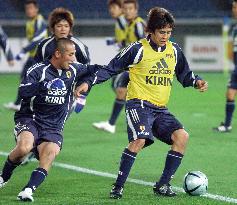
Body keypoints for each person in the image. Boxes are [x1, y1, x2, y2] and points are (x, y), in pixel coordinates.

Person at [75, 7, 208, 199]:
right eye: (162, 32)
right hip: (139, 105)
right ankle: (118, 186)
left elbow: (185, 75)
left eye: (169, 32)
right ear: (151, 31)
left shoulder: (174, 50)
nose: (166, 36)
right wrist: (88, 82)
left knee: (182, 137)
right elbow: (110, 68)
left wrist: (197, 82)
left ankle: (162, 185)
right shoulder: (137, 49)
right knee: (139, 140)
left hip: (161, 109)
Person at [0, 38, 97, 202]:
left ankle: (28, 190)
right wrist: (43, 86)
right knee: (24, 148)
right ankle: (3, 177)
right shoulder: (38, 70)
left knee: (49, 155)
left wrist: (87, 82)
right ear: (58, 53)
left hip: (53, 126)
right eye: (71, 54)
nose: (74, 58)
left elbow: (97, 70)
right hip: (31, 119)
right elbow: (23, 92)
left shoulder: (74, 69)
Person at [92, 0, 145, 134]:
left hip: (139, 66)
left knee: (122, 89)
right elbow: (126, 42)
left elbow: (146, 44)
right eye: (125, 9)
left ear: (135, 10)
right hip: (130, 64)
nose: (127, 11)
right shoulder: (129, 24)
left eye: (130, 9)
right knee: (121, 90)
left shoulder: (138, 24)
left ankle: (133, 118)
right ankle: (113, 123)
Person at [34, 7, 90, 113]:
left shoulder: (78, 45)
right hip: (48, 88)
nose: (63, 29)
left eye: (66, 26)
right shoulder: (44, 45)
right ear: (53, 28)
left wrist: (83, 94)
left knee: (58, 118)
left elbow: (87, 68)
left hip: (69, 88)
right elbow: (37, 67)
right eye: (59, 26)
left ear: (70, 28)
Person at [4, 0, 48, 111]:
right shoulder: (30, 22)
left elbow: (38, 39)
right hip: (32, 56)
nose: (29, 11)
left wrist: (24, 50)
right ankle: (18, 103)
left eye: (31, 8)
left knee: (34, 80)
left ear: (36, 9)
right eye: (27, 9)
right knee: (25, 78)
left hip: (40, 57)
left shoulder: (40, 21)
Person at [213, 0, 237, 133]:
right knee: (230, 93)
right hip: (236, 69)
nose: (233, 9)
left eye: (234, 7)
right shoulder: (234, 29)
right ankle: (227, 125)